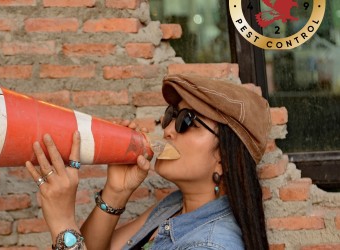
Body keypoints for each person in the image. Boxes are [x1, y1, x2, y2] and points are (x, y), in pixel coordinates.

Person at [24, 74, 271, 250]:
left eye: (187, 121)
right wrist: (116, 193)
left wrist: (63, 223)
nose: (168, 131)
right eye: (171, 115)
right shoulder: (175, 206)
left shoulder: (210, 244)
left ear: (225, 160)